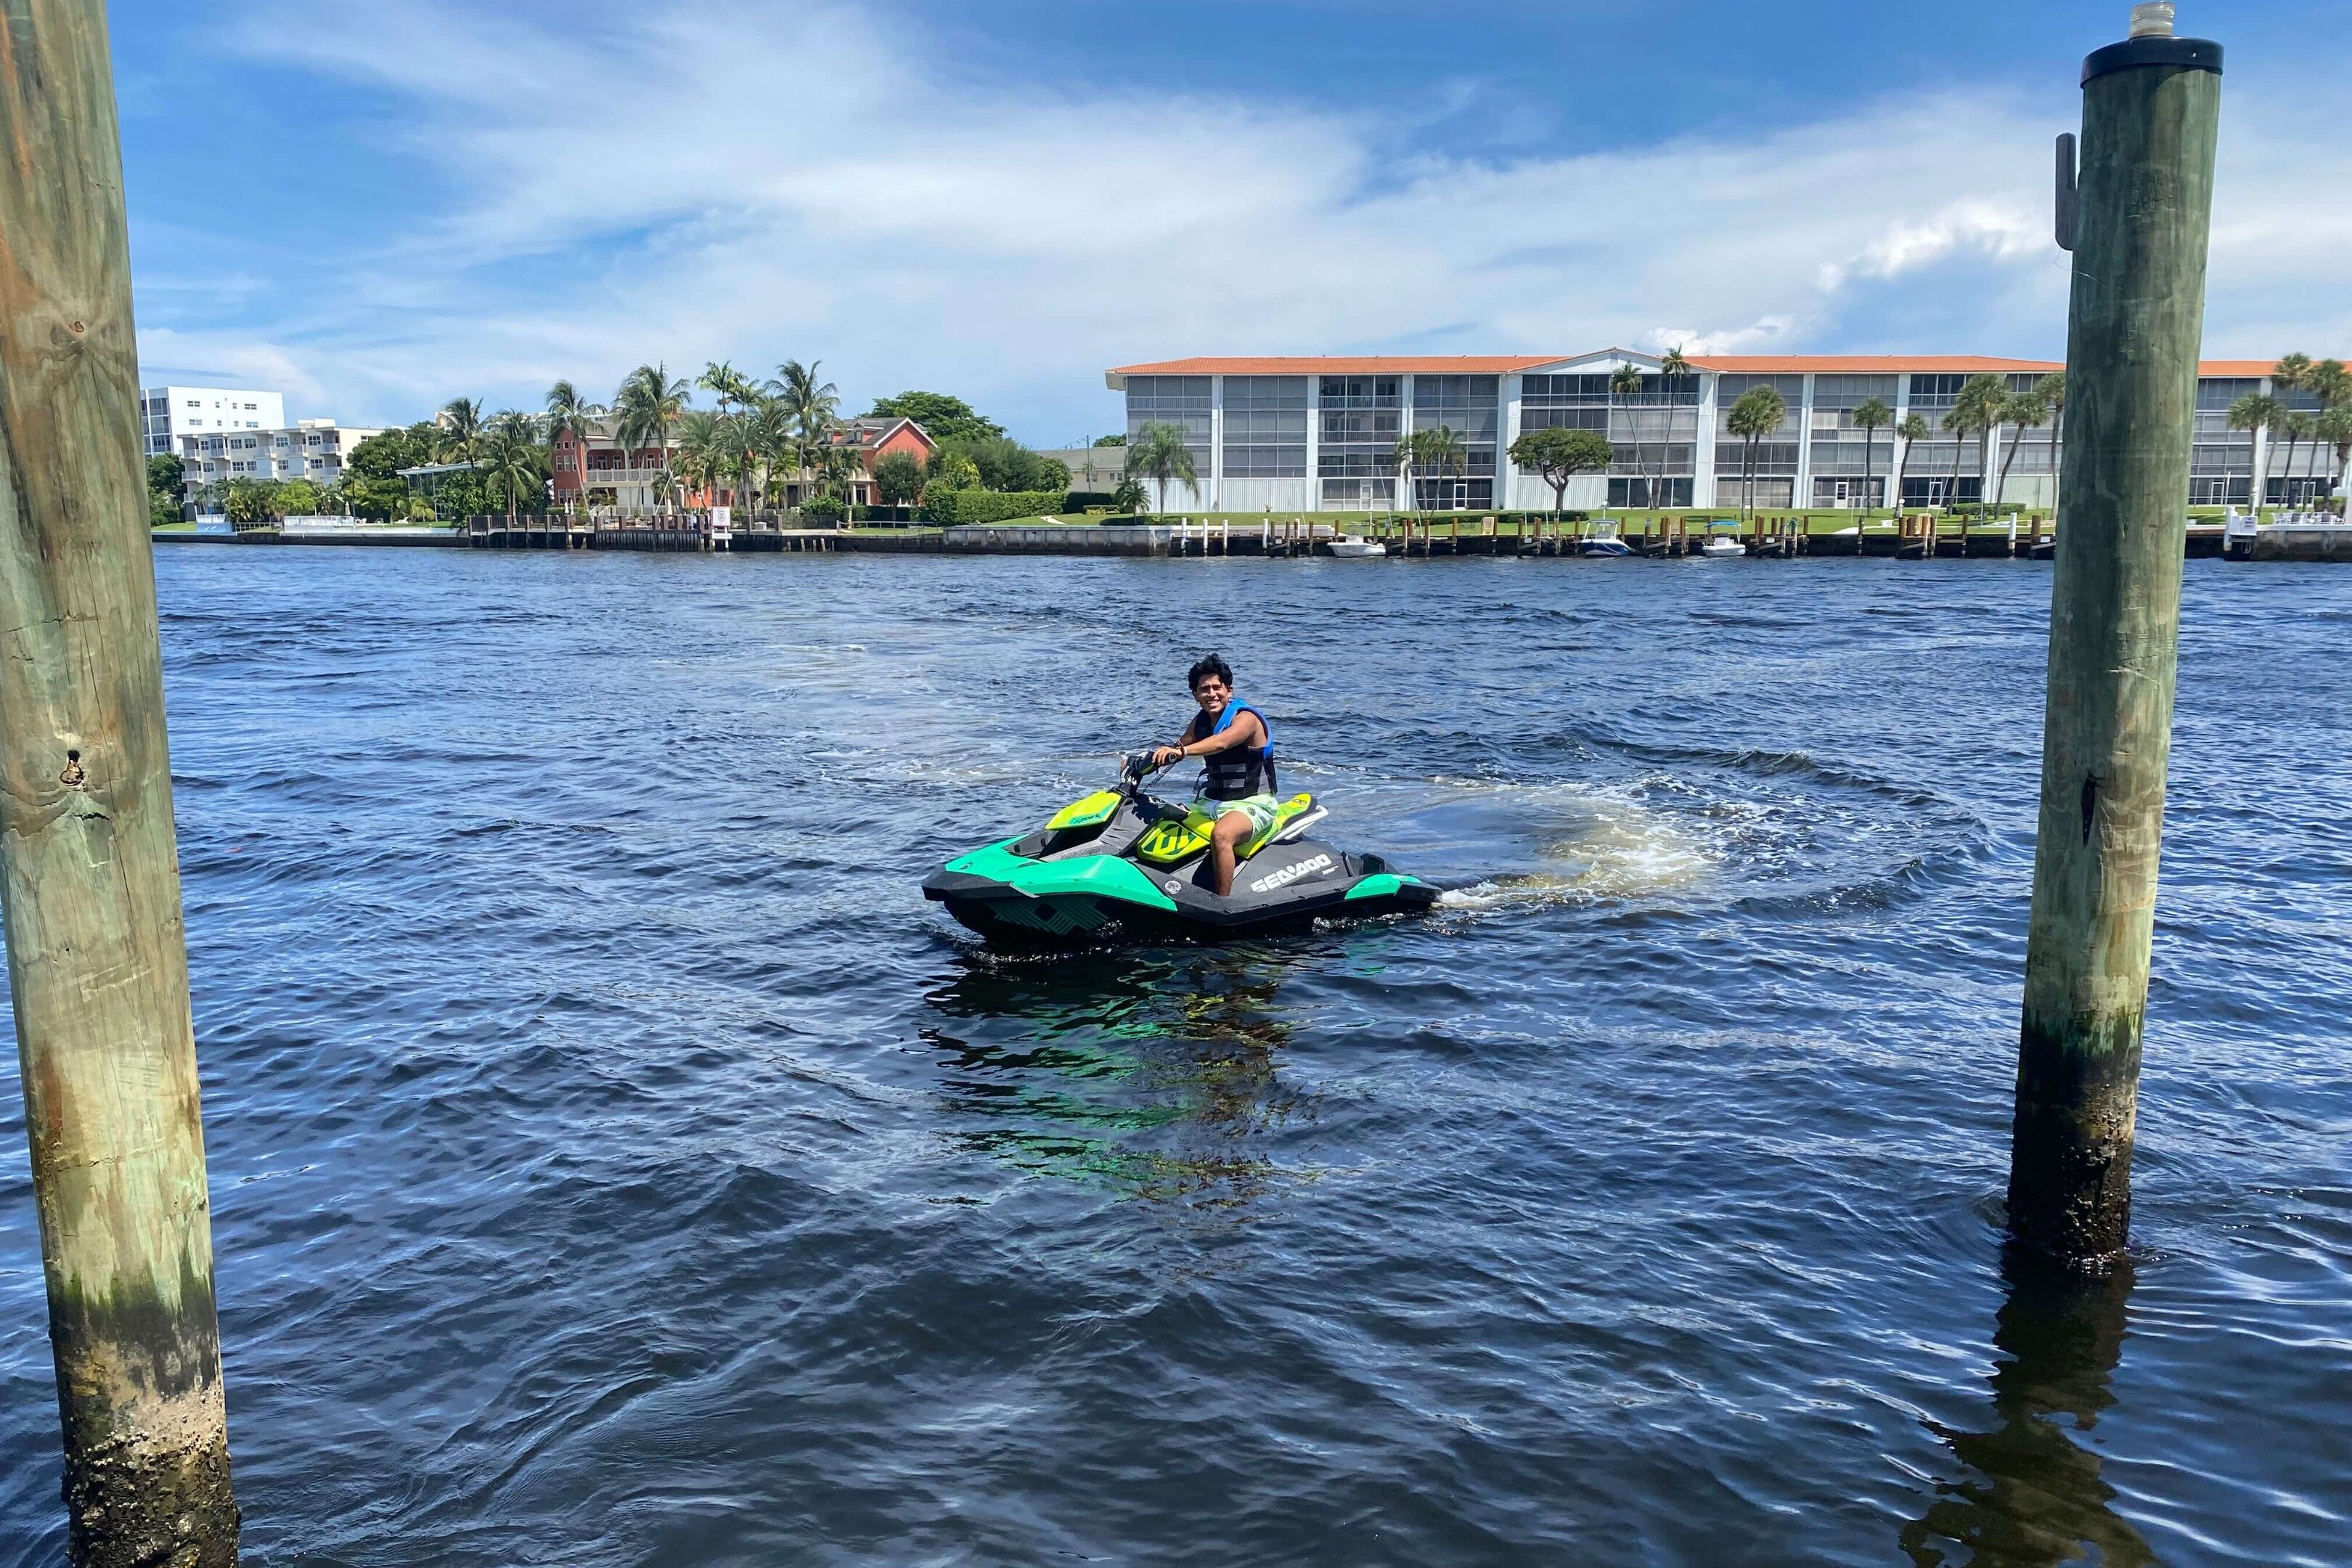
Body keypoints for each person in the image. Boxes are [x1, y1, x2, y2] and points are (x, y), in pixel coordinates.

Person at [1151, 653, 1278, 897]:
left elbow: (1221, 743)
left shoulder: (1246, 719)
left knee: (1221, 835)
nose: (1211, 694)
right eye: (1204, 689)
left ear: (1229, 690)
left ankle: (1222, 902)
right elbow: (1176, 746)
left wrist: (1181, 751)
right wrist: (1144, 762)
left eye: (1216, 688)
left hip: (1252, 803)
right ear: (1195, 695)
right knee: (1162, 818)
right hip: (1210, 803)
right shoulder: (1201, 721)